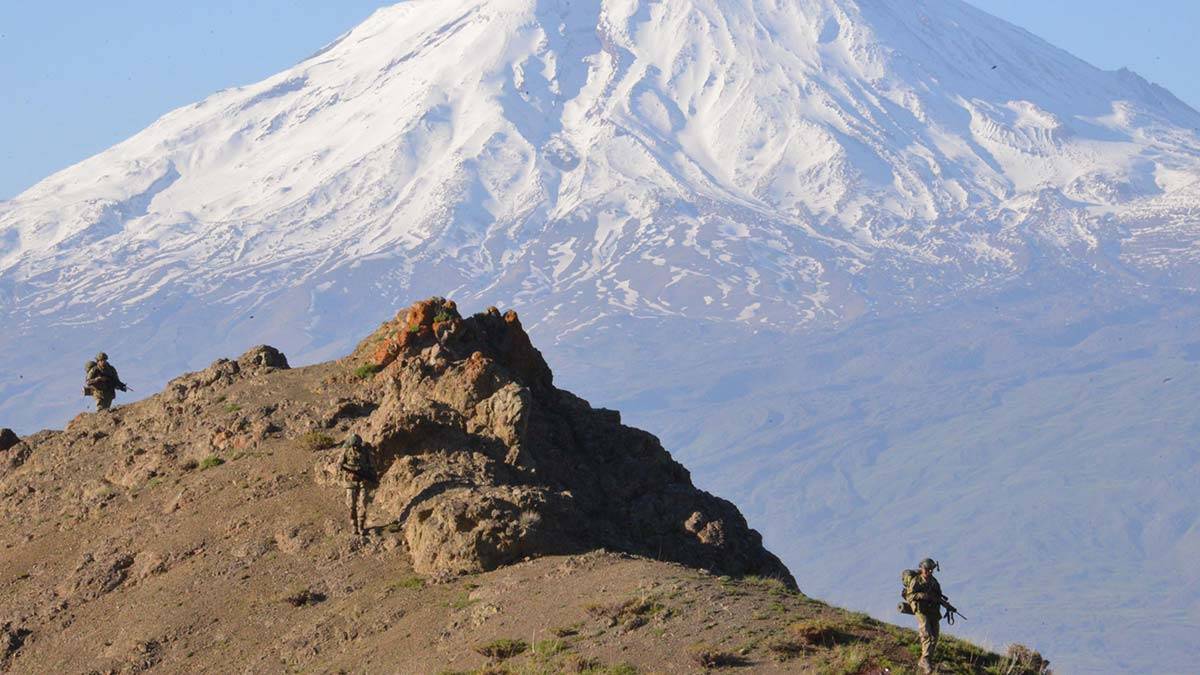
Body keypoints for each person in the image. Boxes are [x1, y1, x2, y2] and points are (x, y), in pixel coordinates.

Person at [905, 558, 944, 673]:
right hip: (920, 609)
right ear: (922, 569)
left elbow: (938, 595)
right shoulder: (916, 581)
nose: (930, 572)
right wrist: (922, 596)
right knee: (926, 632)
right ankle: (925, 659)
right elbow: (909, 596)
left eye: (931, 570)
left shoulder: (934, 582)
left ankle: (926, 659)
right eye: (927, 569)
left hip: (931, 610)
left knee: (935, 635)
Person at [337, 434, 377, 536]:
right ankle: (354, 526)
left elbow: (372, 466)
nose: (355, 447)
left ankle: (361, 526)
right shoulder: (346, 452)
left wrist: (368, 474)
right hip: (351, 480)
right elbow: (339, 465)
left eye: (357, 445)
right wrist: (351, 471)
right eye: (353, 445)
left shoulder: (366, 452)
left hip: (364, 480)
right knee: (351, 504)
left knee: (363, 503)